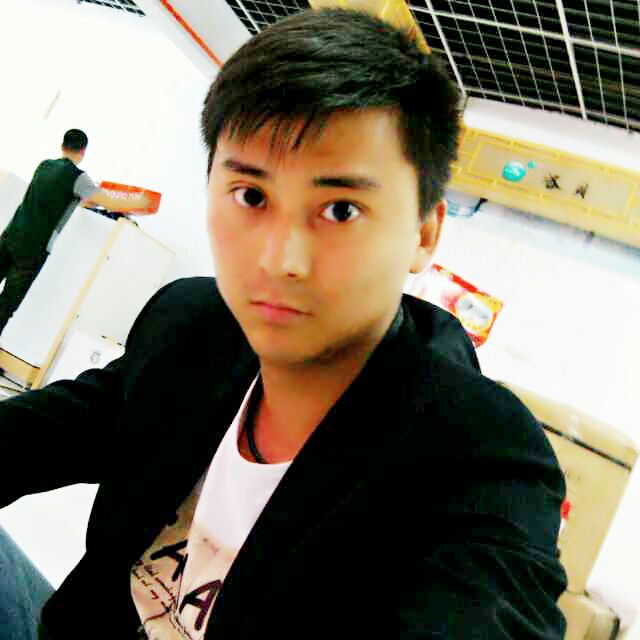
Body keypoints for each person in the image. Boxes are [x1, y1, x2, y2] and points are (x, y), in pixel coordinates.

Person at [0, 9, 568, 639]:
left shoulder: (482, 456)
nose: (279, 260)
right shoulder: (195, 326)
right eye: (251, 196)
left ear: (424, 233)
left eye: (341, 209)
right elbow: (46, 430)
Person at [0, 129, 149, 337]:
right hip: (33, 250)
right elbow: (109, 202)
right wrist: (140, 202)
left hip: (10, 236)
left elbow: (63, 198)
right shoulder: (78, 177)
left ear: (62, 146)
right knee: (6, 304)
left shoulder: (44, 165)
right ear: (83, 151)